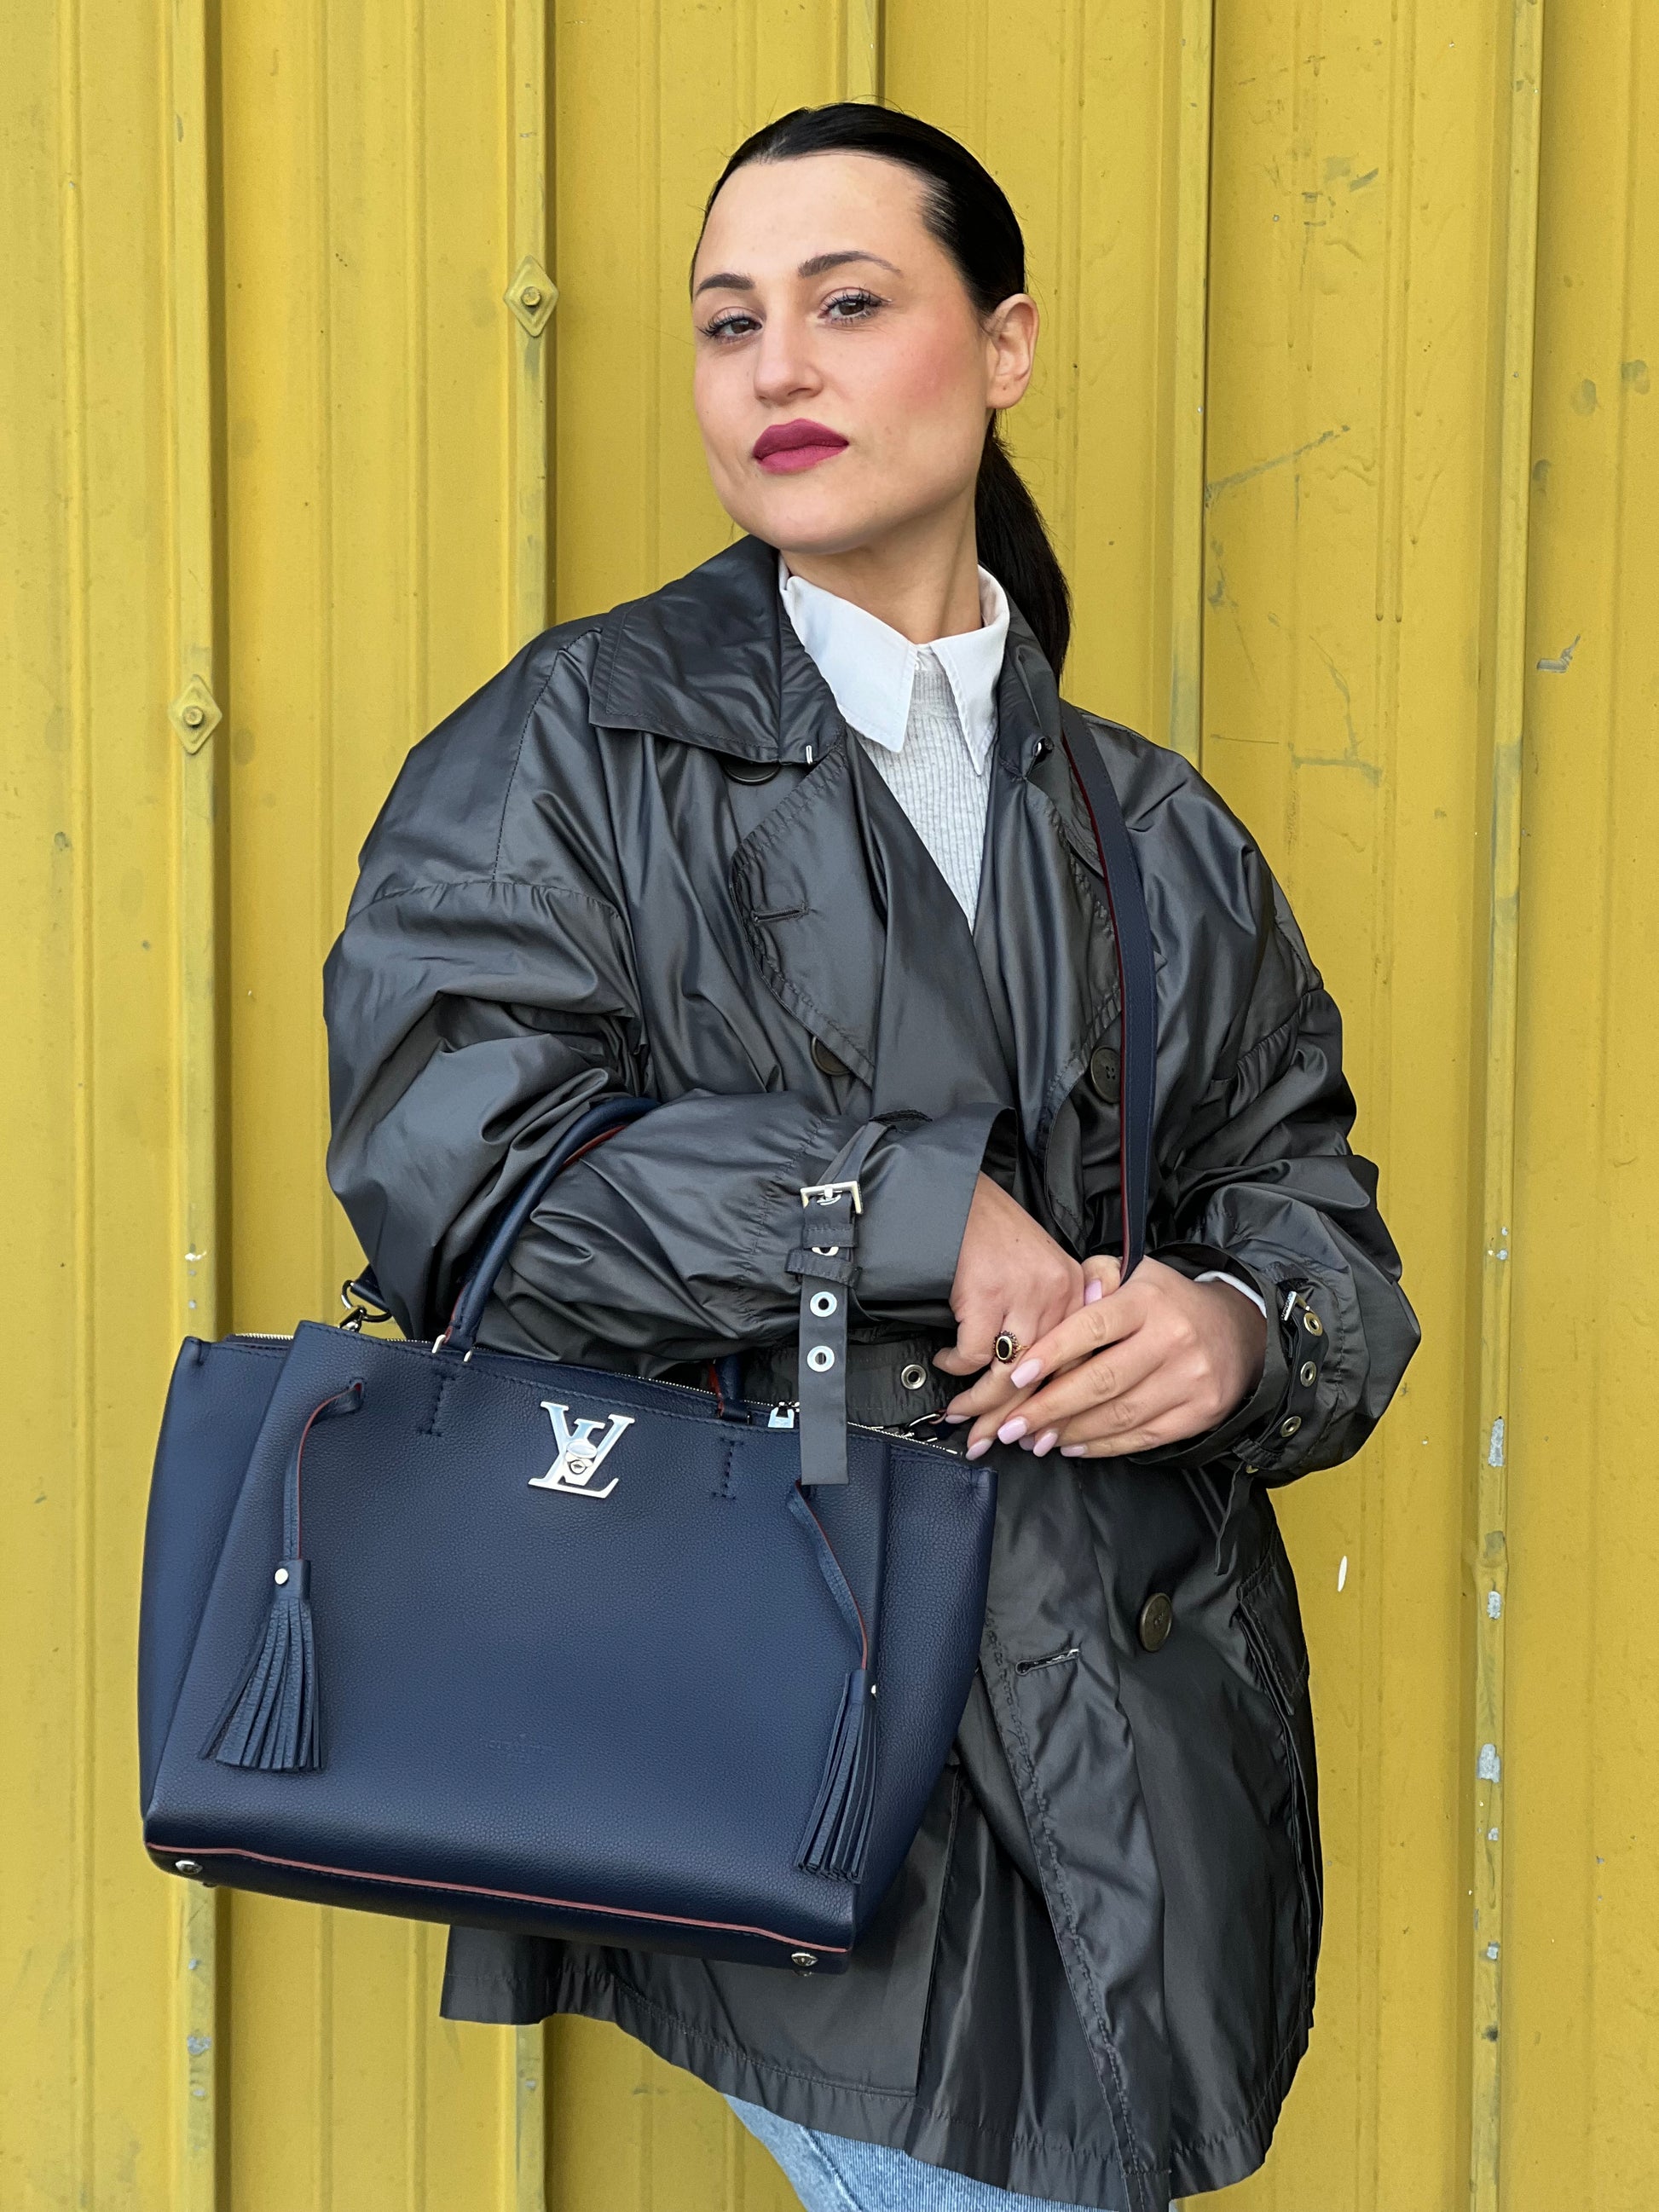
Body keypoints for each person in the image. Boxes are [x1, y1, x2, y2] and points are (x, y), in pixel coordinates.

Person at [322, 101, 1419, 2212]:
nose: (777, 368)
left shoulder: (1152, 828)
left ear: (1003, 346)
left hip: (1139, 1750)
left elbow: (1311, 1220)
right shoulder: (575, 747)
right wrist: (901, 1210)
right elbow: (462, 1191)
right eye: (728, 321)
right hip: (790, 1728)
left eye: (847, 303)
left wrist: (1232, 1328)